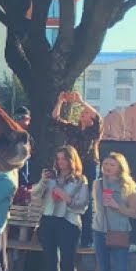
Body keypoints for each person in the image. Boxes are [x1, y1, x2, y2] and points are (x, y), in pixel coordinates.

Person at [30, 145, 90, 271]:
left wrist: (65, 197)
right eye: (58, 159)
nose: (61, 162)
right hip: (48, 220)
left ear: (72, 160)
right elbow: (35, 195)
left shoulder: (80, 180)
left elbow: (83, 206)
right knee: (50, 261)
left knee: (67, 262)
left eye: (64, 158)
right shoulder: (51, 177)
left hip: (68, 222)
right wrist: (43, 181)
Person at [87, 152, 136, 271]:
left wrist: (117, 206)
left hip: (119, 232)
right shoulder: (97, 183)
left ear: (120, 168)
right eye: (105, 164)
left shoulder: (128, 186)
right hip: (100, 230)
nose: (107, 167)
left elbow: (134, 213)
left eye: (112, 165)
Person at [50, 91, 102, 247]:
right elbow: (55, 119)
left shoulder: (94, 131)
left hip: (88, 166)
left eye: (86, 113)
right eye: (82, 112)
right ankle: (64, 233)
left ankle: (87, 238)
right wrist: (60, 102)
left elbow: (98, 117)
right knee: (66, 196)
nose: (83, 113)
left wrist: (81, 101)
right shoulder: (73, 129)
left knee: (85, 200)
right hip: (71, 167)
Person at [12, 106, 33, 189]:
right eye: (16, 118)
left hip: (22, 178)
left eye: (22, 117)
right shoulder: (9, 133)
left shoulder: (29, 137)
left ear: (28, 119)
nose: (18, 120)